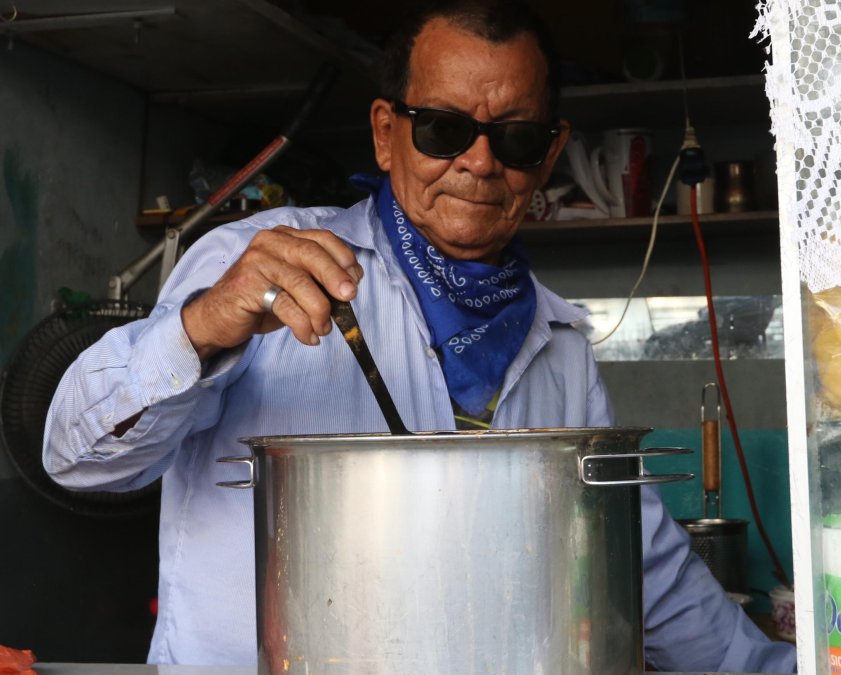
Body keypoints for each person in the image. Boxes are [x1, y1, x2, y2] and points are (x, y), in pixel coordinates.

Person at [43, 0, 797, 672]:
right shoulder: (260, 266)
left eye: (517, 137)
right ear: (384, 132)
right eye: (444, 129)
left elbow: (637, 561)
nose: (479, 162)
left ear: (551, 149)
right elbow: (76, 462)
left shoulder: (558, 339)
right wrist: (205, 326)